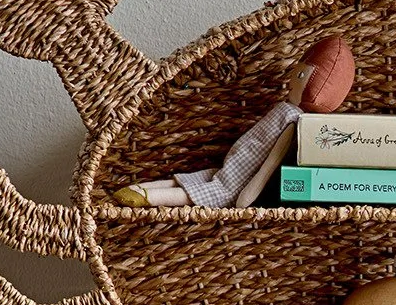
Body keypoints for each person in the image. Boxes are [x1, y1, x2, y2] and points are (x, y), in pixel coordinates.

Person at [114, 33, 353, 208]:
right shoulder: (285, 109)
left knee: (200, 195)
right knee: (198, 179)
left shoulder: (297, 123)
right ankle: (140, 188)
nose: (293, 79)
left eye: (301, 75)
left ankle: (148, 198)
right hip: (230, 166)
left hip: (238, 183)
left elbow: (271, 164)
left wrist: (246, 198)